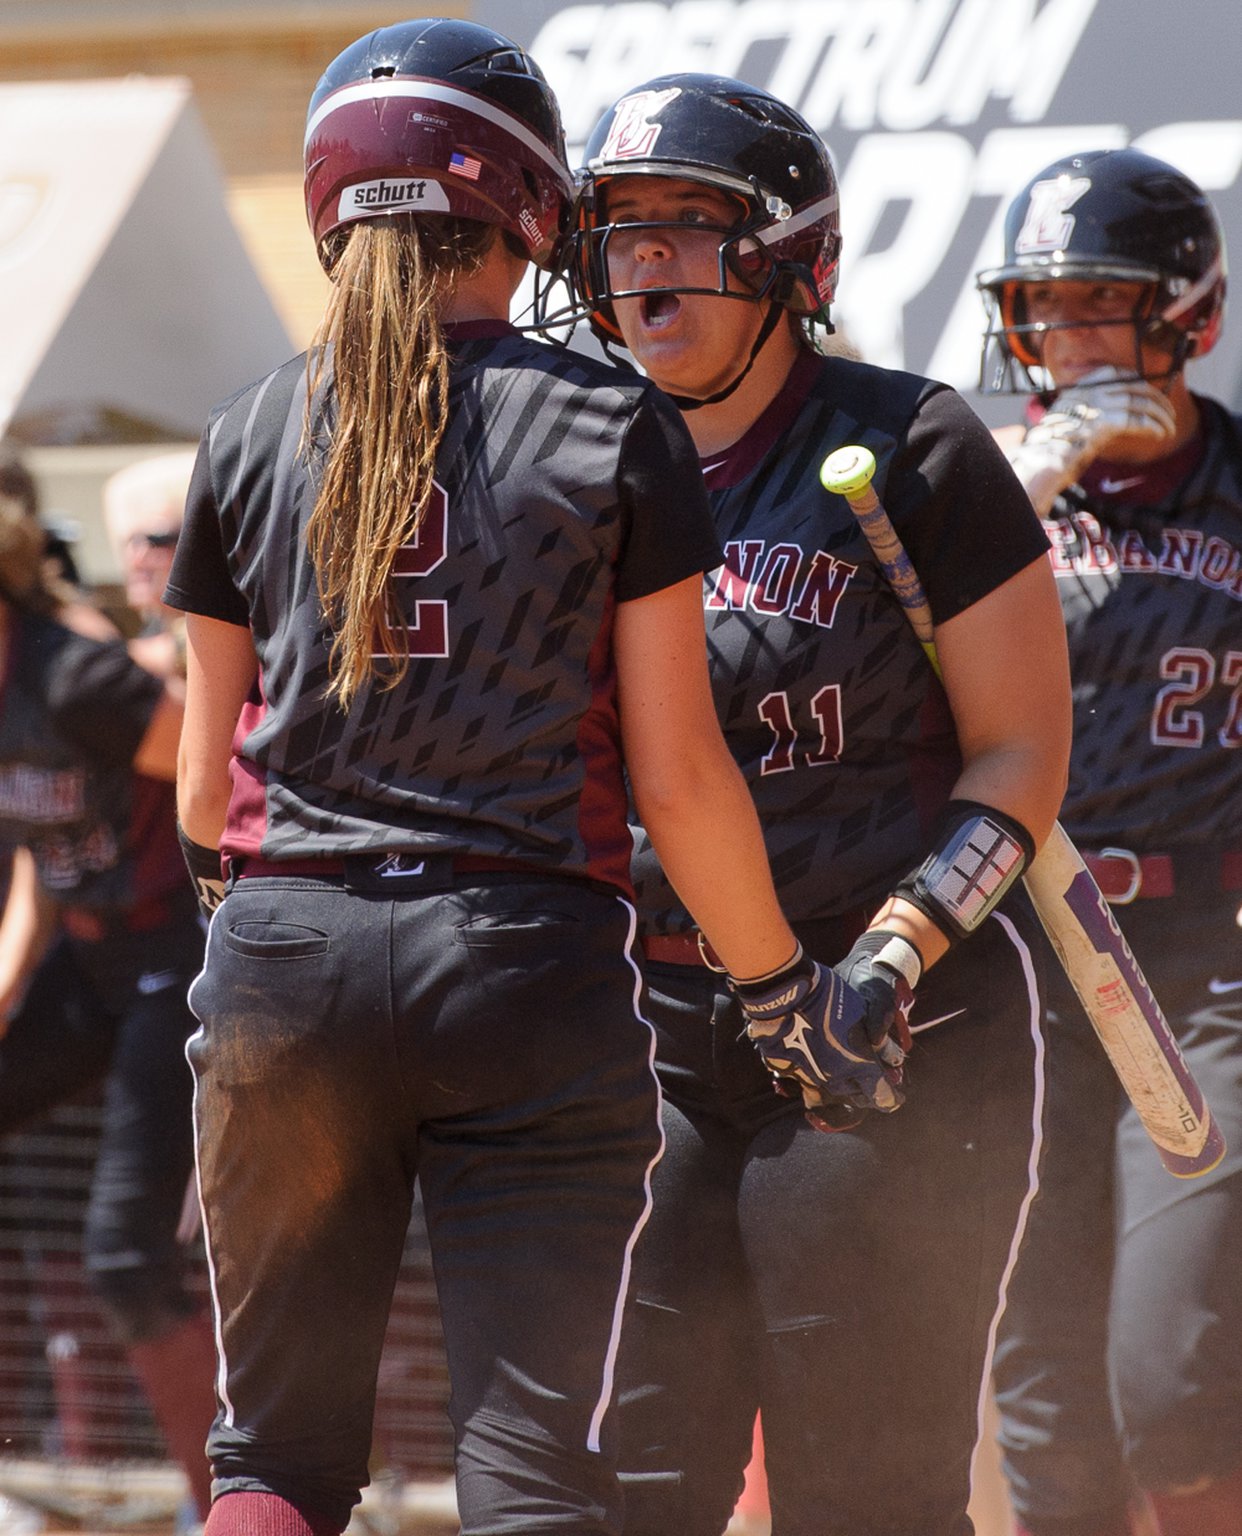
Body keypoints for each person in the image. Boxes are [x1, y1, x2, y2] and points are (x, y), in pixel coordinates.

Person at [165, 22, 873, 1536]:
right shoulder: (613, 421)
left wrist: (264, 967)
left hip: (283, 953)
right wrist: (778, 995)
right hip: (522, 968)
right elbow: (680, 776)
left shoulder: (243, 429)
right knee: (535, 1472)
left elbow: (196, 784)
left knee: (273, 1466)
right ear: (531, 209)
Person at [557, 73, 1072, 1536]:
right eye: (620, 231)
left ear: (796, 260)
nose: (644, 260)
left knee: (864, 1499)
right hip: (652, 1036)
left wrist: (893, 956)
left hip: (892, 1030)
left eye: (689, 225)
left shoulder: (911, 445)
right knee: (632, 1487)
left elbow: (1023, 754)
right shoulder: (571, 458)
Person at [975, 147, 1242, 1536]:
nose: (1064, 338)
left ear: (1184, 315)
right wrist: (1013, 496)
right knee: (1039, 1388)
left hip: (1203, 956)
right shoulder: (987, 485)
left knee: (1169, 1368)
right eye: (1043, 306)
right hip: (1024, 951)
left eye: (1098, 304)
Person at [0, 456, 216, 1520]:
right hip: (87, 964)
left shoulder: (76, 674)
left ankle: (225, 1504)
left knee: (127, 1259)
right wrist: (6, 977)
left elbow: (217, 773)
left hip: (171, 966)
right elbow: (47, 844)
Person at [103, 450, 196, 679]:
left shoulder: (237, 633)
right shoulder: (151, 631)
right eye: (130, 542)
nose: (136, 559)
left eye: (157, 539)